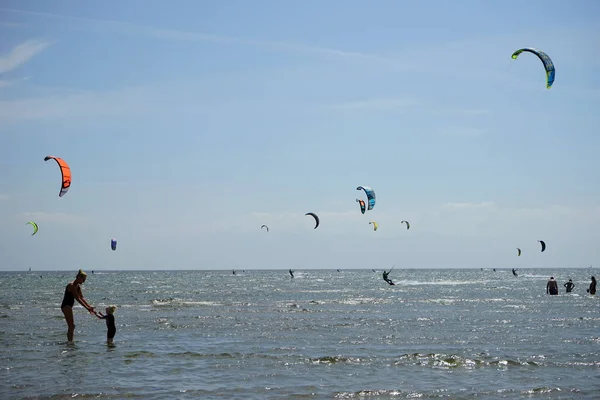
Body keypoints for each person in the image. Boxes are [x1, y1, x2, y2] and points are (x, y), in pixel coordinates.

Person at [61, 269, 96, 343]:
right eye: (83, 279)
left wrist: (89, 306)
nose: (84, 281)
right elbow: (77, 298)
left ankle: (70, 342)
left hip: (69, 306)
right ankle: (70, 343)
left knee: (72, 326)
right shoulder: (72, 285)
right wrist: (87, 308)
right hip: (66, 306)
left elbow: (82, 297)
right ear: (78, 277)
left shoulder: (78, 286)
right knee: (71, 326)